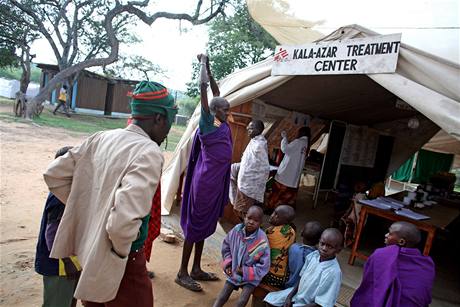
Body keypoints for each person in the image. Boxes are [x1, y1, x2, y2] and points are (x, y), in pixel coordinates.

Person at [43, 80, 177, 306]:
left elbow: (54, 174)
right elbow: (122, 223)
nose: (167, 133)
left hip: (89, 254)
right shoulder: (149, 151)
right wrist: (117, 254)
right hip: (124, 261)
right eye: (169, 123)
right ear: (158, 118)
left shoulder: (101, 137)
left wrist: (92, 211)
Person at [177, 54, 233, 292]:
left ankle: (197, 267)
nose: (228, 111)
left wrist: (210, 68)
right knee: (194, 225)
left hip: (216, 183)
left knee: (206, 224)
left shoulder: (221, 121)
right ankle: (182, 272)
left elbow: (215, 91)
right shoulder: (208, 121)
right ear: (214, 110)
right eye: (225, 109)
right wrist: (201, 64)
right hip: (204, 182)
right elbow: (204, 90)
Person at [35, 146, 81, 307]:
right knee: (58, 301)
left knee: (68, 300)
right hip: (59, 265)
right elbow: (52, 234)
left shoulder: (66, 191)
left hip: (66, 261)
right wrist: (68, 261)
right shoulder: (60, 197)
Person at [350, 221, 435, 307]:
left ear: (401, 242)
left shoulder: (381, 255)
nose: (386, 235)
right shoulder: (427, 265)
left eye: (390, 234)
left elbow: (369, 286)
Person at [264, 228, 343, 307]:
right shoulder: (313, 256)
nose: (324, 248)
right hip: (298, 295)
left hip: (309, 304)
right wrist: (289, 297)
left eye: (330, 247)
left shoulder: (333, 272)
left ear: (338, 250)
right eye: (322, 244)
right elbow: (301, 279)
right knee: (270, 300)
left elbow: (321, 303)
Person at [213, 206, 270, 307]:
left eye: (256, 220)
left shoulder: (262, 240)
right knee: (222, 296)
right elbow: (226, 247)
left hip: (251, 277)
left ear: (261, 223)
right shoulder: (236, 231)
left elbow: (264, 265)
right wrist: (228, 263)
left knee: (242, 301)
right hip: (234, 271)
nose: (251, 222)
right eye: (249, 218)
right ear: (244, 217)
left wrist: (245, 271)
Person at [230, 120, 270, 221]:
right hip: (245, 182)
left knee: (242, 210)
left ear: (259, 130)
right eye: (248, 127)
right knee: (241, 209)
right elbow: (248, 163)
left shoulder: (259, 145)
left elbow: (263, 167)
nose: (247, 128)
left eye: (251, 127)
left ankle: (248, 230)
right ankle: (246, 228)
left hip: (249, 185)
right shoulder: (255, 141)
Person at [267, 127, 310, 210]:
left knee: (277, 192)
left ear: (301, 133)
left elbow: (284, 149)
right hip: (294, 175)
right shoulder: (306, 143)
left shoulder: (298, 142)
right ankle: (284, 211)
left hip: (287, 172)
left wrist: (284, 138)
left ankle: (271, 209)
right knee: (287, 195)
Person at [262, 205, 296, 288]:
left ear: (285, 220)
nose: (272, 215)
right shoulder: (291, 231)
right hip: (283, 278)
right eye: (274, 212)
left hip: (269, 276)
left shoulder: (269, 232)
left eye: (276, 214)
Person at [285, 221, 323, 288]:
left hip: (288, 283)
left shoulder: (293, 248)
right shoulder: (318, 257)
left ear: (301, 233)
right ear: (319, 240)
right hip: (304, 288)